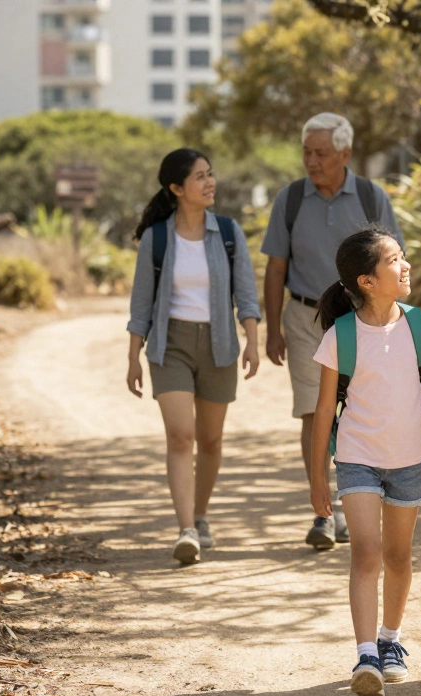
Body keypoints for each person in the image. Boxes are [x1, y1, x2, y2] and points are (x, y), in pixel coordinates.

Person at [307, 228, 421, 696]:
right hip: (357, 457)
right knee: (365, 553)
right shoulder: (340, 336)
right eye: (395, 260)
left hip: (409, 459)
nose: (405, 266)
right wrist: (317, 477)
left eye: (402, 257)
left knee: (398, 557)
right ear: (367, 280)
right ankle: (365, 655)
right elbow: (324, 412)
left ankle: (390, 639)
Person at [261, 112, 403, 550]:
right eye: (307, 151)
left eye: (321, 152)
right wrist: (272, 329)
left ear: (345, 153)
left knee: (357, 411)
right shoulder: (290, 200)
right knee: (314, 411)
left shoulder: (368, 196)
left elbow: (393, 259)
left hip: (361, 318)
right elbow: (275, 267)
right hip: (304, 318)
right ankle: (323, 513)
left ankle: (352, 502)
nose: (311, 160)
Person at [126, 148, 262, 565]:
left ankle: (201, 515)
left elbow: (245, 293)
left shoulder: (226, 231)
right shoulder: (158, 237)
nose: (209, 182)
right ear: (176, 188)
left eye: (210, 174)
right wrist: (133, 357)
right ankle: (186, 529)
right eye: (199, 177)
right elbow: (142, 304)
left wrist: (252, 340)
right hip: (171, 345)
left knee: (212, 440)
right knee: (181, 435)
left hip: (220, 343)